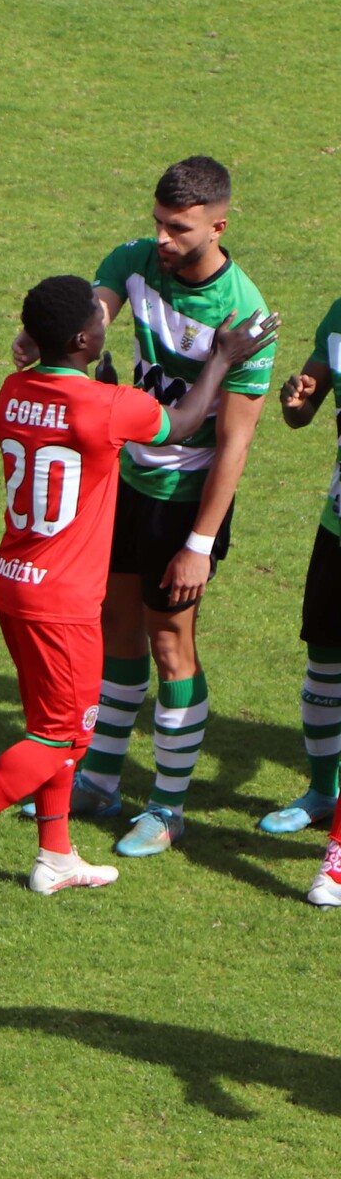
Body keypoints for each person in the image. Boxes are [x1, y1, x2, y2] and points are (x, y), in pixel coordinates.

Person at [0, 277, 273, 916]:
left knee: (53, 727)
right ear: (81, 338)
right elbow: (184, 423)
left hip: (12, 581)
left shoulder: (13, 392)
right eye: (99, 319)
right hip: (63, 600)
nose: (107, 322)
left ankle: (56, 857)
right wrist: (219, 360)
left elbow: (67, 421)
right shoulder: (109, 406)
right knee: (61, 737)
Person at [61, 157, 276, 856]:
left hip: (185, 502)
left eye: (178, 228)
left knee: (170, 643)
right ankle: (100, 780)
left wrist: (199, 545)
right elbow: (93, 318)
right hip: (124, 481)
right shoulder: (134, 261)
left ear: (218, 226)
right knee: (115, 625)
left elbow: (234, 444)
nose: (162, 238)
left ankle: (168, 808)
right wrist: (57, 342)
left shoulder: (244, 315)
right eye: (158, 222)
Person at [266, 300, 341, 864]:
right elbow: (304, 408)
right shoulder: (339, 317)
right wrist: (298, 398)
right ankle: (321, 792)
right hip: (337, 523)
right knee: (324, 657)